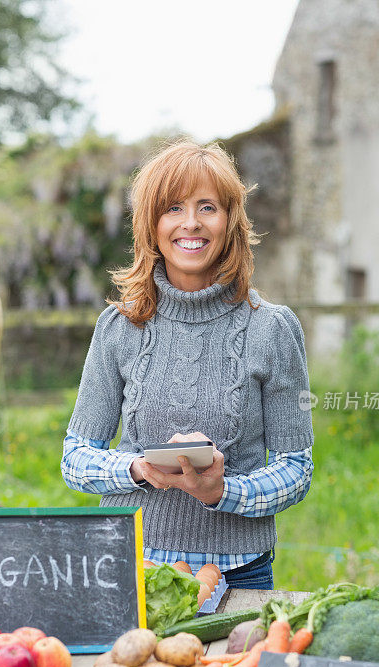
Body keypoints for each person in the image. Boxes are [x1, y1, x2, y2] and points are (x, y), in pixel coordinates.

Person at [61, 138, 314, 590]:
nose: (191, 223)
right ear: (151, 223)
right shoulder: (118, 327)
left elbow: (296, 471)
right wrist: (138, 470)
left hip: (241, 574)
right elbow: (76, 459)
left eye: (207, 207)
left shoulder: (273, 329)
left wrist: (222, 492)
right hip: (129, 563)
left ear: (230, 221)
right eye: (173, 207)